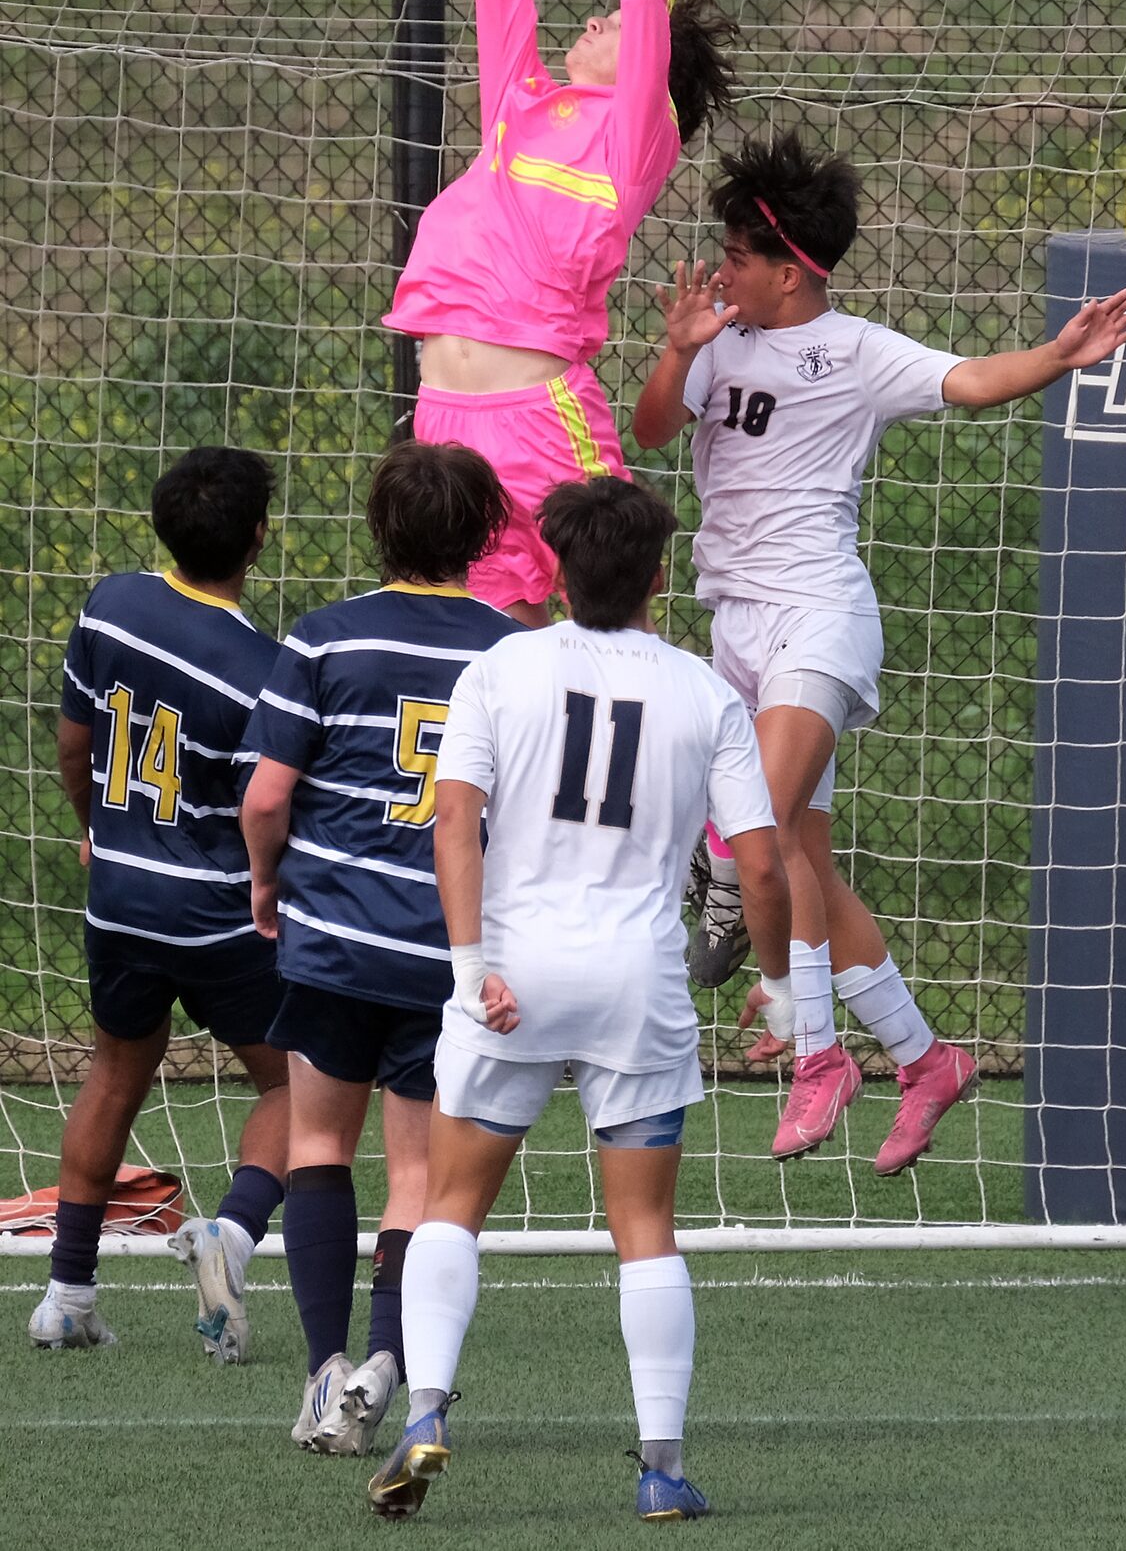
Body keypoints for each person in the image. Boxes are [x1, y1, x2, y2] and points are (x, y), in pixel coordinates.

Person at [632, 131, 1126, 1174]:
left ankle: (816, 1054)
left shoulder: (858, 351)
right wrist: (680, 346)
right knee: (803, 858)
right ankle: (926, 1060)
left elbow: (966, 380)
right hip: (733, 622)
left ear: (787, 269)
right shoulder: (716, 341)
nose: (716, 267)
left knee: (761, 830)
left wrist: (1055, 357)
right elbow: (648, 432)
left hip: (817, 614)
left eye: (734, 253)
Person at [366, 476, 793, 1525]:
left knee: (451, 1207)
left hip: (512, 976)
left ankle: (424, 1419)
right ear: (659, 580)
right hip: (635, 984)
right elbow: (764, 865)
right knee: (644, 1227)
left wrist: (469, 970)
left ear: (557, 572)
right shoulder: (704, 693)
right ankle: (659, 1467)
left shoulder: (502, 667)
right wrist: (782, 986)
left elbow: (453, 820)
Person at [381, 0, 736, 628]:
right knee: (495, 649)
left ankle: (661, 763)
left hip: (543, 421)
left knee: (613, 631)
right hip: (444, 420)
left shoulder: (634, 135)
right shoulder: (520, 104)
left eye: (609, 20)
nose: (596, 16)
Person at [238, 441, 515, 1457]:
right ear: (483, 535)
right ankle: (385, 1363)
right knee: (418, 1177)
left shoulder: (323, 640)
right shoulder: (509, 651)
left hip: (336, 939)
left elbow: (267, 796)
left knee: (317, 1146)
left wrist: (267, 880)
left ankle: (321, 1379)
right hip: (445, 951)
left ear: (377, 527)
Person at [29, 447, 289, 1362]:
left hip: (119, 899)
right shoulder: (264, 668)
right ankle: (235, 1233)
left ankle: (65, 1295)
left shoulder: (110, 606)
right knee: (299, 1079)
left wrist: (96, 828)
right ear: (258, 537)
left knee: (113, 1074)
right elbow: (267, 808)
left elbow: (73, 748)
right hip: (215, 914)